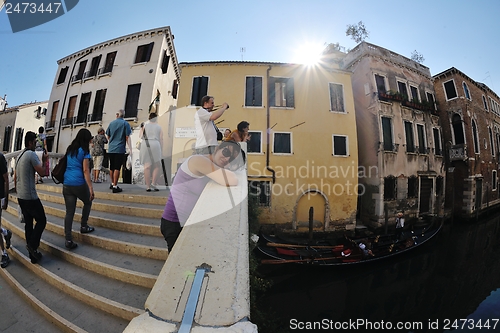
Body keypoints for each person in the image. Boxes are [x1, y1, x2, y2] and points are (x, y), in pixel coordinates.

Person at [161, 141, 241, 252]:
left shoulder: (212, 165)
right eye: (226, 152)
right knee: (179, 264)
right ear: (217, 148)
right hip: (174, 222)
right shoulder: (198, 160)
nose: (227, 159)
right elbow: (232, 179)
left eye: (231, 159)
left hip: (187, 222)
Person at [14, 131, 48, 264]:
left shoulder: (19, 155)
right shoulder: (31, 154)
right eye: (35, 142)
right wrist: (45, 160)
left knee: (29, 224)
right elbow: (43, 172)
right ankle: (32, 246)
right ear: (30, 142)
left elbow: (15, 177)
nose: (36, 144)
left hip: (21, 196)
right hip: (30, 196)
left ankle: (32, 255)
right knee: (42, 220)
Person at [62, 128, 96, 249]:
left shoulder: (70, 149)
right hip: (78, 183)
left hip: (66, 183)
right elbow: (86, 170)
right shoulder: (84, 151)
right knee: (88, 201)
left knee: (69, 212)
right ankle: (84, 225)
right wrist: (91, 188)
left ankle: (68, 239)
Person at [106, 110, 132, 193]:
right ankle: (115, 186)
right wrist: (130, 148)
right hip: (120, 148)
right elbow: (127, 137)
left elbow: (108, 136)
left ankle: (112, 182)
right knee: (117, 167)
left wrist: (112, 141)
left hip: (111, 148)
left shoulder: (111, 123)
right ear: (123, 116)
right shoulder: (125, 124)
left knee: (112, 167)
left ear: (117, 115)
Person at [140, 113, 164, 192]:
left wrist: (141, 128)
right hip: (155, 144)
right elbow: (161, 139)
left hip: (145, 144)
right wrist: (161, 148)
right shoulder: (159, 127)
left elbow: (140, 136)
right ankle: (154, 182)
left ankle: (148, 186)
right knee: (157, 165)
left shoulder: (145, 126)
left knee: (147, 166)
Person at [0, 151, 12, 268]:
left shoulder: (0, 157)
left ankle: (4, 254)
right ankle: (5, 232)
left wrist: (6, 198)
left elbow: (6, 178)